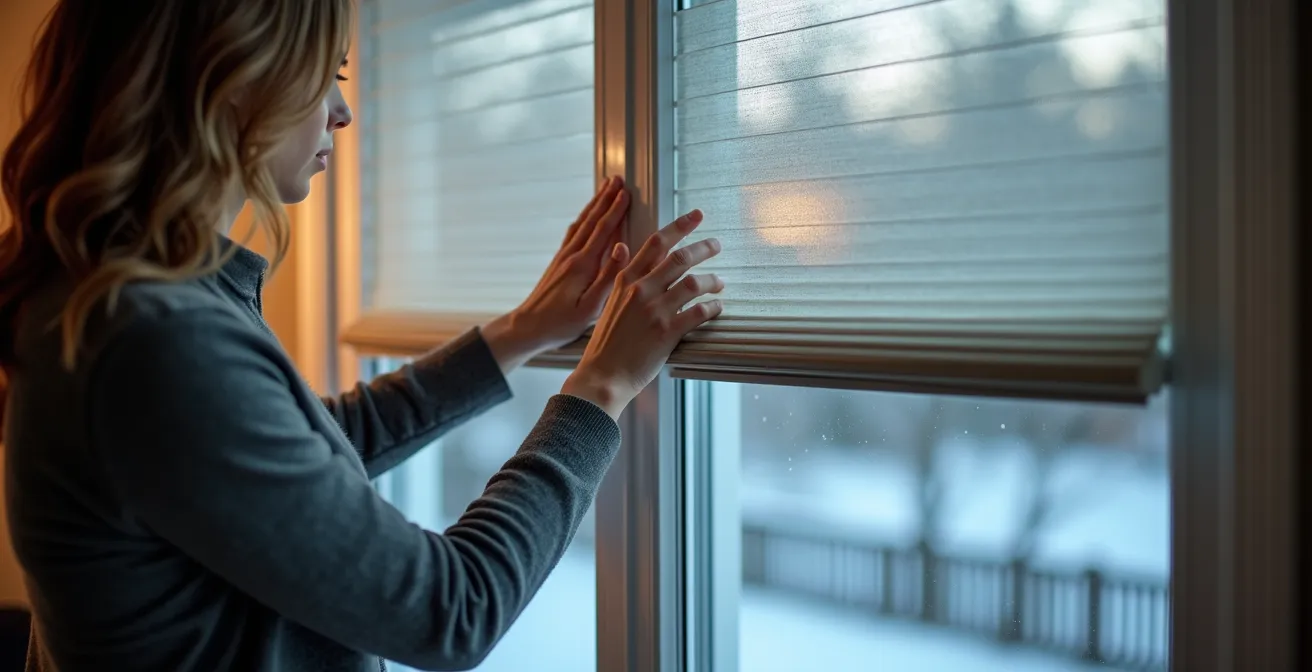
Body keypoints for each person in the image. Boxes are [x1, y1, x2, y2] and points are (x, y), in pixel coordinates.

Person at [0, 1, 725, 670]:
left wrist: (521, 332)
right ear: (228, 80)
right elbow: (452, 611)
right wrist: (600, 388)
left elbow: (311, 452)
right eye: (327, 76)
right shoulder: (149, 340)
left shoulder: (124, 299)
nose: (342, 111)